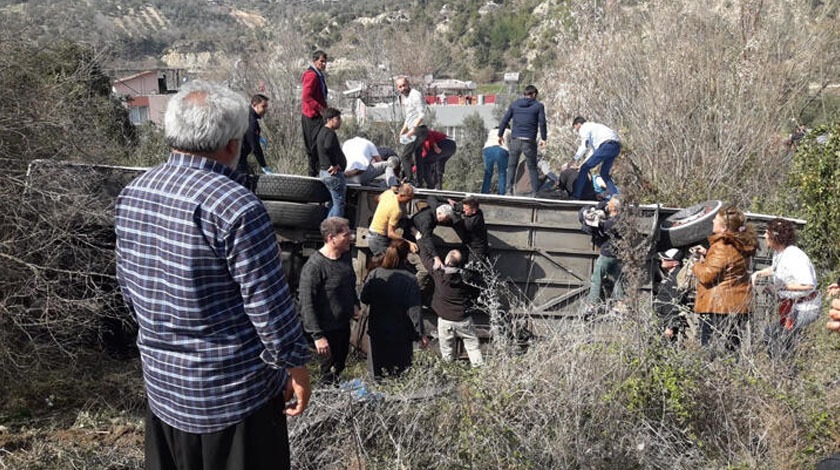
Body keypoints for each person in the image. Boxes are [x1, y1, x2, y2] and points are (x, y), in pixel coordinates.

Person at [114, 80, 311, 469]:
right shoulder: (238, 207)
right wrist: (296, 366)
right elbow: (270, 309)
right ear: (233, 145)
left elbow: (129, 292)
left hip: (164, 393)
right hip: (234, 402)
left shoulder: (133, 193)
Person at [298, 217, 360, 384]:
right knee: (327, 375)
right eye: (346, 235)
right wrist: (318, 336)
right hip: (325, 332)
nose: (351, 238)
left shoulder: (344, 259)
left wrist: (354, 304)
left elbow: (349, 285)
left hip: (342, 327)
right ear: (332, 238)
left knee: (338, 370)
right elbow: (306, 303)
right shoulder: (314, 266)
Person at [691, 204, 759, 355]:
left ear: (724, 228)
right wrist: (708, 253)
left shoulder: (722, 246)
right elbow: (729, 264)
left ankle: (712, 378)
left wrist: (695, 264)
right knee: (732, 352)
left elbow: (707, 275)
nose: (712, 222)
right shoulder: (740, 243)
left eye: (715, 220)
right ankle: (730, 378)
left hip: (718, 307)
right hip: (737, 305)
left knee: (709, 352)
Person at [750, 218, 821, 360]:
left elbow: (808, 285)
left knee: (779, 338)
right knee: (772, 334)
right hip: (792, 306)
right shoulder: (780, 253)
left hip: (805, 308)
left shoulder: (794, 256)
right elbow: (777, 269)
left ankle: (786, 371)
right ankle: (781, 367)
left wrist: (781, 288)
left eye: (767, 233)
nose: (764, 236)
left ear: (776, 236)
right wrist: (759, 273)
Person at [360, 240, 428, 378]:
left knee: (377, 370)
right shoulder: (409, 279)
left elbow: (364, 298)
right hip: (401, 331)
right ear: (406, 256)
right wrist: (421, 334)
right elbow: (414, 309)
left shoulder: (375, 274)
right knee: (400, 372)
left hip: (377, 328)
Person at [419, 248, 484, 367]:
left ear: (447, 260)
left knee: (447, 352)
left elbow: (425, 259)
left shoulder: (439, 274)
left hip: (445, 320)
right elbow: (477, 289)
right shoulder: (466, 277)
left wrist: (419, 238)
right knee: (473, 347)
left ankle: (448, 376)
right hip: (463, 319)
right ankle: (479, 372)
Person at [497, 85, 547, 197]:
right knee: (532, 167)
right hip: (529, 141)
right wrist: (544, 138)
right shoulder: (538, 106)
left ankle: (508, 191)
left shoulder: (514, 105)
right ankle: (535, 192)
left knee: (511, 166)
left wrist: (500, 135)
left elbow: (505, 120)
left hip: (515, 139)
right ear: (534, 94)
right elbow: (542, 122)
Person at [581, 196, 624, 312]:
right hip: (618, 254)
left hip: (607, 254)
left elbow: (594, 226)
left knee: (596, 278)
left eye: (609, 204)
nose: (607, 205)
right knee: (617, 278)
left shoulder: (610, 223)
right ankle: (621, 303)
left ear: (613, 208)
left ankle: (593, 303)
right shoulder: (622, 219)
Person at [571, 116, 621, 200]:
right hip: (615, 146)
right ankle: (614, 194)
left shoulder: (584, 128)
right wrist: (582, 164)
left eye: (576, 128)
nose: (576, 131)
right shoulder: (595, 127)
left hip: (606, 146)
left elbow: (584, 146)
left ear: (578, 124)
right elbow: (593, 152)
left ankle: (576, 195)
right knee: (604, 173)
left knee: (584, 169)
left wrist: (574, 159)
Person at [653, 248, 692, 342]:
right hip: (662, 318)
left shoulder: (677, 277)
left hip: (668, 320)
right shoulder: (669, 275)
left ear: (675, 263)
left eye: (666, 259)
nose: (662, 260)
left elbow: (678, 303)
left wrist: (671, 326)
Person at [367, 183, 417, 256]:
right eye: (409, 199)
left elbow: (376, 198)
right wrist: (408, 242)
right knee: (387, 263)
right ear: (401, 195)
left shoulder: (388, 193)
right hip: (379, 239)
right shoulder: (396, 210)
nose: (409, 201)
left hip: (372, 234)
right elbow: (391, 234)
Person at [315, 107, 347, 218]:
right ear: (329, 120)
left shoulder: (321, 132)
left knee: (334, 203)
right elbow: (328, 147)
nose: (340, 121)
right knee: (339, 203)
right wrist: (334, 164)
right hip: (333, 175)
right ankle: (335, 230)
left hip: (325, 173)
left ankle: (328, 227)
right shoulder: (330, 133)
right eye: (337, 118)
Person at [301, 50, 329, 176]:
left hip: (317, 115)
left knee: (319, 146)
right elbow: (306, 96)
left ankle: (317, 172)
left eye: (325, 62)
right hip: (312, 116)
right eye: (321, 61)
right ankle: (313, 174)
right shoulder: (312, 75)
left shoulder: (319, 75)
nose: (323, 64)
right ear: (315, 61)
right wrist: (321, 109)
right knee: (314, 147)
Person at [396, 77, 428, 185]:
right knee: (417, 156)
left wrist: (413, 130)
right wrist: (403, 130)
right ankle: (419, 182)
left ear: (408, 84)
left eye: (404, 85)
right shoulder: (406, 98)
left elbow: (422, 114)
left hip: (418, 130)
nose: (402, 88)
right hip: (415, 129)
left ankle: (410, 182)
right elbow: (409, 117)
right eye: (400, 87)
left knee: (405, 156)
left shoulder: (415, 95)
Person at [237, 94, 274, 174]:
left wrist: (258, 136)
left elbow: (246, 132)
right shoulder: (252, 121)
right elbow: (255, 147)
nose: (265, 110)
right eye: (263, 106)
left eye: (266, 107)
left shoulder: (245, 113)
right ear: (254, 105)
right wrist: (263, 165)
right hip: (236, 158)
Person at [411, 201, 454, 269]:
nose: (446, 220)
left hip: (420, 234)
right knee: (425, 267)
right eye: (446, 218)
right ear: (439, 213)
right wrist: (436, 258)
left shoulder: (433, 211)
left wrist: (446, 199)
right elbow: (427, 240)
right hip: (413, 239)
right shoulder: (427, 221)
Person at [448, 196, 489, 262]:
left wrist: (450, 212)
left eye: (465, 210)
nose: (463, 210)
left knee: (472, 269)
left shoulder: (472, 223)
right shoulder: (475, 210)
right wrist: (447, 200)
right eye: (464, 208)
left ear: (473, 211)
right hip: (469, 246)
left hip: (477, 251)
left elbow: (456, 221)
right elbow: (459, 207)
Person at [482, 127, 511, 195]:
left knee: (488, 172)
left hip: (487, 149)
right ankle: (501, 193)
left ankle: (484, 192)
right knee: (502, 172)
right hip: (501, 149)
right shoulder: (508, 130)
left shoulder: (491, 131)